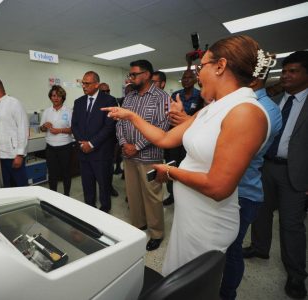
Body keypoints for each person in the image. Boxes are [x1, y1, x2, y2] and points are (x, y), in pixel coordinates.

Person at [103, 35, 271, 276]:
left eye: (201, 67)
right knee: (178, 277)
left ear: (221, 66)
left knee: (195, 284)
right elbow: (164, 138)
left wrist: (170, 171)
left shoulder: (245, 112)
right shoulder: (212, 108)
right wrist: (130, 116)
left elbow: (218, 186)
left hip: (208, 221)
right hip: (190, 215)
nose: (197, 75)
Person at [243, 50, 308, 299]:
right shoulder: (275, 97)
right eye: (285, 71)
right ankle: (260, 248)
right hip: (266, 166)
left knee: (291, 224)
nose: (287, 76)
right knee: (260, 211)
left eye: (294, 71)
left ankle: (296, 274)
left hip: (295, 171)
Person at [219, 75, 282, 300]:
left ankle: (227, 294)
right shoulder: (234, 104)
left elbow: (241, 151)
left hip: (243, 192)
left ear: (253, 80)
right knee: (221, 248)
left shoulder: (266, 109)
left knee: (232, 249)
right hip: (226, 189)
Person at [116, 60, 170, 251]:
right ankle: (139, 226)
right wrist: (124, 143)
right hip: (129, 157)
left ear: (147, 74)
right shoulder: (129, 98)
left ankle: (156, 233)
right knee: (133, 194)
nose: (131, 78)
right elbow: (120, 122)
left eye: (134, 74)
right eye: (130, 75)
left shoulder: (161, 97)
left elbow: (162, 127)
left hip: (150, 156)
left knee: (152, 195)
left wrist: (137, 146)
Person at [71, 71, 117, 213]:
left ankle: (105, 209)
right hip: (83, 151)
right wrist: (82, 143)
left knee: (103, 183)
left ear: (97, 84)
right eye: (82, 83)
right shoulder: (78, 102)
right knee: (87, 183)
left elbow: (109, 126)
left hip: (101, 151)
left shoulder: (109, 100)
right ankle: (90, 207)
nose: (84, 86)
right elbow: (75, 125)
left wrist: (91, 144)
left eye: (87, 83)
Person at [163, 70, 204, 206]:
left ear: (194, 80)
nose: (186, 80)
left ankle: (185, 196)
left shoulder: (200, 96)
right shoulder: (176, 94)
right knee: (172, 165)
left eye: (189, 78)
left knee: (186, 167)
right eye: (184, 78)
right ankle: (171, 194)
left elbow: (199, 118)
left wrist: (185, 118)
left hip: (191, 138)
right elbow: (171, 114)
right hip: (175, 136)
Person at [40, 85, 73, 196]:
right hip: (50, 148)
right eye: (53, 95)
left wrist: (59, 130)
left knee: (66, 173)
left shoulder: (68, 111)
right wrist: (45, 126)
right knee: (52, 174)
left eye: (59, 96)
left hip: (65, 147)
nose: (56, 98)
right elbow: (42, 129)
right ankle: (53, 196)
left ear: (63, 97)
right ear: (50, 97)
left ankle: (66, 196)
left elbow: (73, 129)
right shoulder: (46, 111)